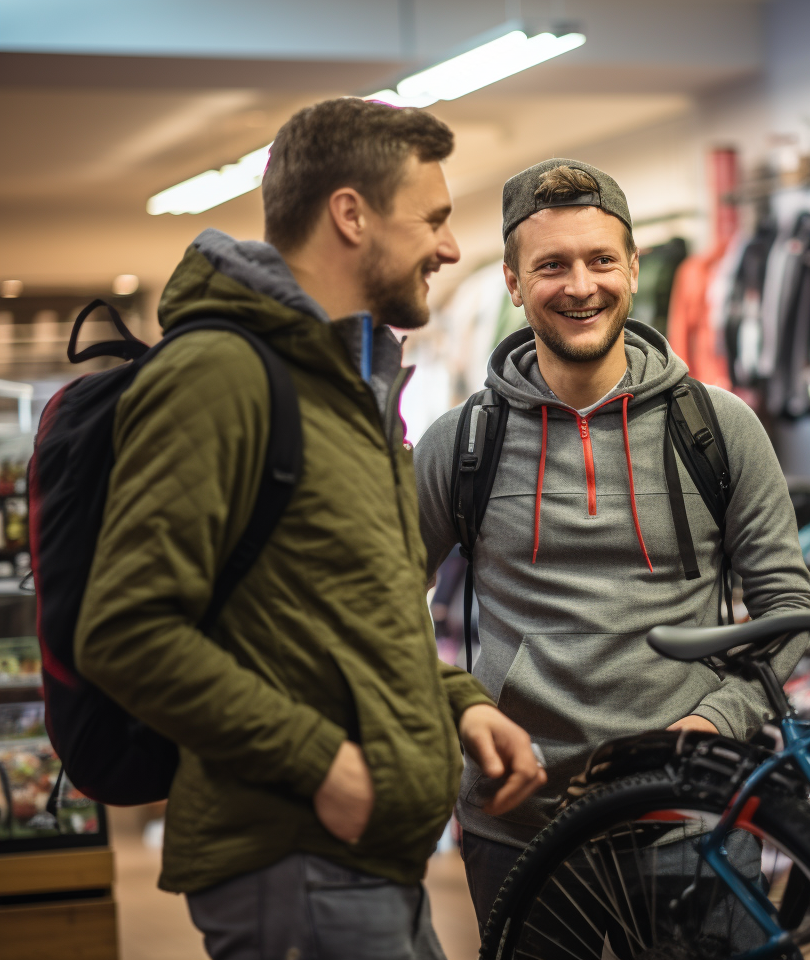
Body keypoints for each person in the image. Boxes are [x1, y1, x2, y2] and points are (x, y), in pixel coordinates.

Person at [74, 98, 545, 960]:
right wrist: (322, 763)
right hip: (296, 864)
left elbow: (343, 612)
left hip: (367, 863)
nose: (449, 248)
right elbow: (126, 629)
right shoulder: (218, 375)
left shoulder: (345, 384)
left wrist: (457, 706)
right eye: (433, 220)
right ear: (350, 214)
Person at [414, 158, 810, 925]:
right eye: (552, 265)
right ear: (510, 281)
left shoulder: (719, 428)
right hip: (520, 824)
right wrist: (462, 710)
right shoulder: (462, 442)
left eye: (602, 259)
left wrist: (716, 723)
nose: (581, 285)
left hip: (691, 815)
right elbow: (383, 601)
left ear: (633, 266)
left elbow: (788, 605)